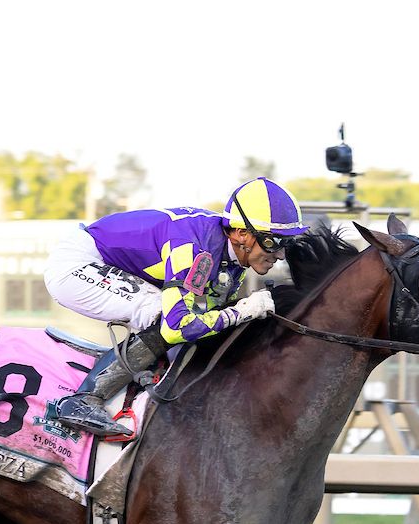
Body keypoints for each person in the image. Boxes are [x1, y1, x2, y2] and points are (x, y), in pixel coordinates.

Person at [43, 176, 309, 437]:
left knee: (193, 321)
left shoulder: (231, 258)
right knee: (163, 316)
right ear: (241, 234)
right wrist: (243, 310)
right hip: (76, 265)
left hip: (107, 262)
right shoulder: (195, 248)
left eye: (286, 242)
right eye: (273, 242)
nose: (280, 254)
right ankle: (83, 400)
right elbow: (176, 327)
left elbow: (207, 320)